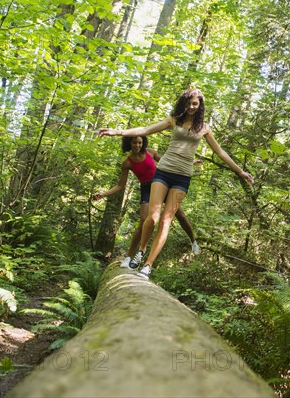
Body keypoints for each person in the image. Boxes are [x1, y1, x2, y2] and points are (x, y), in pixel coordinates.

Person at [97, 88, 253, 279]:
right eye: (188, 103)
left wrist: (240, 171)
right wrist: (118, 132)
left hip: (183, 177)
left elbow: (220, 153)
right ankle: (141, 250)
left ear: (200, 106)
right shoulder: (174, 119)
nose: (191, 107)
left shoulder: (203, 127)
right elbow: (145, 130)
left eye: (195, 104)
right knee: (152, 217)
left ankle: (147, 266)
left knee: (166, 220)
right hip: (163, 172)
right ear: (183, 103)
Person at [91, 135, 200, 269]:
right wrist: (103, 194)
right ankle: (129, 257)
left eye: (140, 143)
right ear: (129, 144)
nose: (137, 145)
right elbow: (120, 185)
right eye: (134, 143)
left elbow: (169, 164)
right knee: (144, 220)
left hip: (161, 185)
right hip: (146, 188)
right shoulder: (127, 163)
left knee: (180, 215)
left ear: (143, 143)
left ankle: (193, 241)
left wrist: (190, 163)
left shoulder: (151, 152)